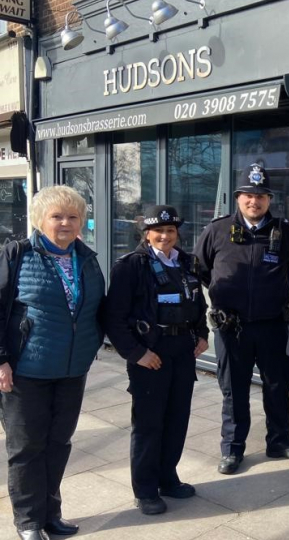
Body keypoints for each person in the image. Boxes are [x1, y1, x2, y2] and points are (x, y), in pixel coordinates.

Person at [0, 185, 106, 540]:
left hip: (72, 370)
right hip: (26, 371)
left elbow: (97, 311)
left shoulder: (87, 259)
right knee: (27, 448)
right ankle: (28, 522)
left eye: (73, 216)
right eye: (56, 216)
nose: (65, 223)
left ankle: (51, 515)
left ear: (82, 222)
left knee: (58, 444)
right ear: (39, 220)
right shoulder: (16, 255)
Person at [194, 163, 289, 475]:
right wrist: (223, 296)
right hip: (233, 328)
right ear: (238, 197)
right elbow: (200, 271)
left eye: (261, 196)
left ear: (269, 200)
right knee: (234, 390)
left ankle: (279, 441)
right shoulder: (216, 230)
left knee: (277, 386)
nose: (254, 201)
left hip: (272, 325)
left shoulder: (284, 233)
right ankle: (232, 449)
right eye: (248, 195)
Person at [105, 205, 209, 515]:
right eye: (158, 231)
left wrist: (202, 334)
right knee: (149, 424)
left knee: (177, 419)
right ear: (147, 234)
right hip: (150, 353)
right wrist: (137, 354)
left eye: (171, 231)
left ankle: (168, 477)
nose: (165, 236)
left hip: (183, 351)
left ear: (178, 234)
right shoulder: (131, 266)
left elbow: (197, 302)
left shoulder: (187, 263)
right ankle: (146, 489)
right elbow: (114, 317)